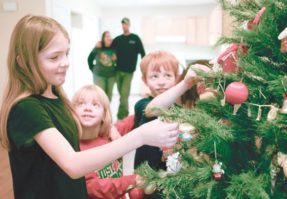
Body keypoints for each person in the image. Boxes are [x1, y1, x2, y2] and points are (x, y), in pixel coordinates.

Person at [0, 15, 179, 199]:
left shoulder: (57, 98)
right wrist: (140, 136)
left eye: (66, 54)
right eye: (54, 57)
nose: (66, 63)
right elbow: (73, 164)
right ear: (23, 62)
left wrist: (108, 126)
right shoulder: (27, 108)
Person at [133, 51, 210, 199]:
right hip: (149, 177)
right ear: (144, 80)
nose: (161, 82)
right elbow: (152, 109)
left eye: (167, 76)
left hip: (173, 175)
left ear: (176, 78)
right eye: (154, 76)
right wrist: (185, 83)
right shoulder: (142, 105)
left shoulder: (179, 108)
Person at [73, 84, 137, 199]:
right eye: (81, 103)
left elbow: (136, 116)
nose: (87, 108)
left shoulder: (112, 135)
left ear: (104, 114)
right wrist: (134, 180)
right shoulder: (73, 149)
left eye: (95, 104)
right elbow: (95, 188)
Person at [112, 17, 146, 120]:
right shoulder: (117, 39)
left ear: (129, 25)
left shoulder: (135, 38)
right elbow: (109, 50)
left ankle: (122, 116)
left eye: (126, 24)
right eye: (123, 24)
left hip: (129, 72)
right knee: (122, 95)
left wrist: (145, 68)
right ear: (121, 25)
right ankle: (124, 113)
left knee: (124, 95)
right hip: (117, 70)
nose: (124, 26)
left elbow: (143, 53)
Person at [87, 31, 116, 101]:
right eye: (107, 36)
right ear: (103, 38)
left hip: (111, 76)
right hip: (99, 75)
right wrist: (93, 70)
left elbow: (117, 61)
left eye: (110, 36)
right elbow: (89, 59)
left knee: (109, 97)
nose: (109, 38)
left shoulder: (114, 48)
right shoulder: (98, 47)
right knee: (100, 96)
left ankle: (107, 111)